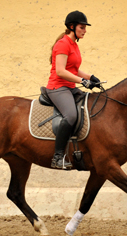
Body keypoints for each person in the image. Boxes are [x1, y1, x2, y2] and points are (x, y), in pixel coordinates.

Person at [46, 10, 101, 169]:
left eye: (85, 28)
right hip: (58, 87)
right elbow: (61, 71)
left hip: (69, 87)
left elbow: (73, 69)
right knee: (70, 115)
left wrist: (91, 77)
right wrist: (83, 81)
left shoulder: (74, 44)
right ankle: (57, 157)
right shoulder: (63, 43)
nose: (85, 31)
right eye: (82, 27)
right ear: (72, 26)